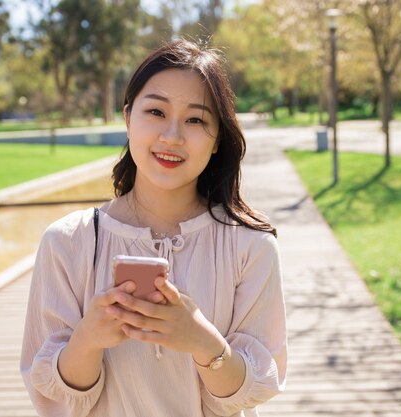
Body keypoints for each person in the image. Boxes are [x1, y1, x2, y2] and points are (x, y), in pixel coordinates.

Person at [20, 39, 287, 417]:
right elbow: (57, 399)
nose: (172, 136)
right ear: (128, 117)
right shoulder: (68, 242)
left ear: (216, 141)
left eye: (196, 119)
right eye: (156, 112)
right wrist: (90, 338)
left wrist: (200, 339)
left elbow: (249, 393)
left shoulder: (250, 246)